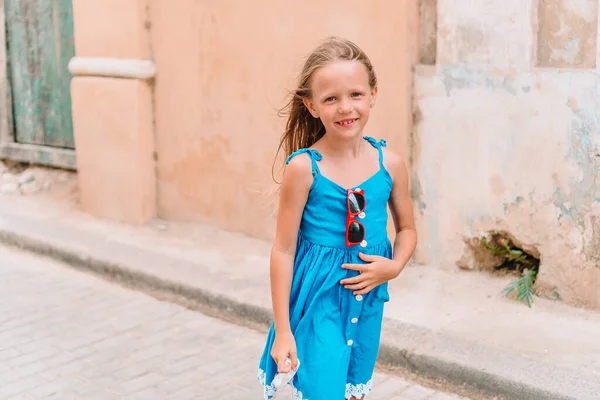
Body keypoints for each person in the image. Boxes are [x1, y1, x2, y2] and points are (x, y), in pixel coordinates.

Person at [257, 36, 417, 400]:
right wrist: (283, 330)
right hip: (319, 300)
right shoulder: (303, 169)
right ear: (311, 105)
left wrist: (395, 266)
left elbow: (407, 229)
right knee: (322, 390)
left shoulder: (390, 165)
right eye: (331, 98)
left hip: (369, 299)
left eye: (356, 95)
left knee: (353, 390)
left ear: (373, 94)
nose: (346, 108)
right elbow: (283, 250)